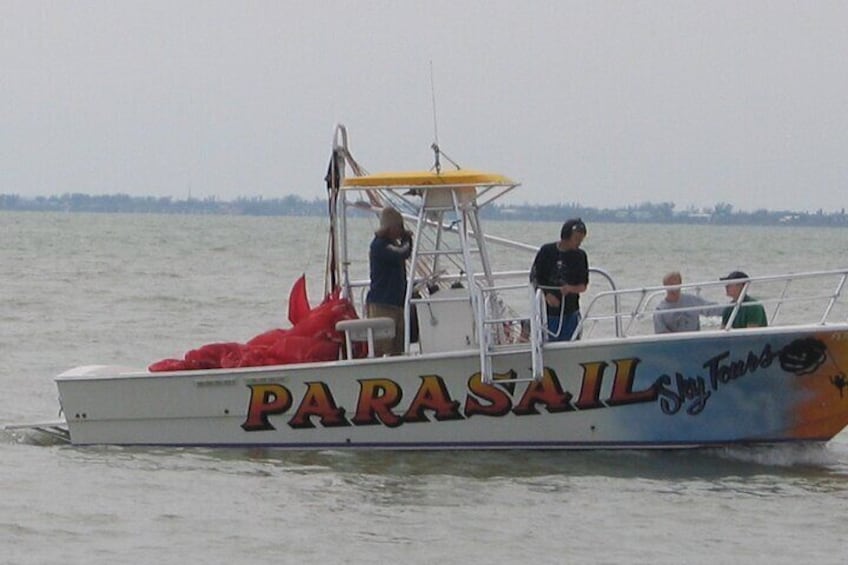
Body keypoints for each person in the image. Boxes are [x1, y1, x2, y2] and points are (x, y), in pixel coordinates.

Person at [530, 218, 589, 341]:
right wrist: (546, 295)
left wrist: (570, 289)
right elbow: (535, 277)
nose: (579, 243)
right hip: (548, 312)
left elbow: (583, 285)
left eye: (581, 239)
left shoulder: (580, 256)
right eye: (577, 239)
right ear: (567, 236)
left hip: (571, 311)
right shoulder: (546, 251)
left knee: (571, 344)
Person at [366, 207, 413, 356]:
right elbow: (402, 253)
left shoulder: (390, 246)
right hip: (382, 305)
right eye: (399, 226)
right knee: (381, 347)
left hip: (396, 304)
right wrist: (408, 239)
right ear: (390, 227)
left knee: (397, 348)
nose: (400, 230)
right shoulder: (379, 246)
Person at [653, 271, 722, 333]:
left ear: (680, 284)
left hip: (694, 341)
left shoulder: (692, 300)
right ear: (665, 286)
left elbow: (710, 309)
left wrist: (728, 310)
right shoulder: (660, 310)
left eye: (676, 283)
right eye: (670, 284)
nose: (673, 287)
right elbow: (661, 333)